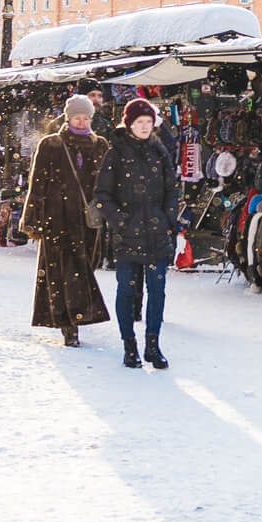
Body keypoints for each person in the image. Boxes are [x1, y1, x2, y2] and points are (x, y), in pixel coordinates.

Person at [94, 97, 181, 369]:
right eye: (139, 122)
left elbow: (171, 190)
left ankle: (153, 346)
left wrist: (168, 219)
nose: (144, 127)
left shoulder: (160, 152)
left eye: (148, 122)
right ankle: (129, 346)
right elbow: (102, 195)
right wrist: (120, 220)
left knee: (158, 290)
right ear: (128, 123)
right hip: (127, 234)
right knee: (126, 291)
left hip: (157, 233)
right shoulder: (115, 152)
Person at [20, 95, 110, 347]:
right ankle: (68, 324)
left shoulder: (100, 145)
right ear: (68, 117)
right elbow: (37, 182)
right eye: (77, 117)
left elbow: (107, 183)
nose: (81, 122)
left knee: (84, 268)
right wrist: (33, 217)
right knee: (61, 271)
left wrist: (108, 209)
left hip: (88, 220)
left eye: (86, 117)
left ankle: (75, 316)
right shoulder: (51, 144)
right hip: (56, 217)